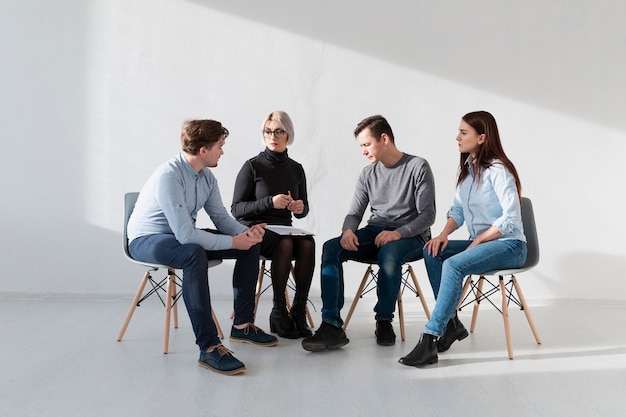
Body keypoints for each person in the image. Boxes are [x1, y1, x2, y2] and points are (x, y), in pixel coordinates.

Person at [127, 119, 278, 376]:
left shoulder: (207, 177)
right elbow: (186, 236)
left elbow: (220, 218)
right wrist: (232, 241)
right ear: (203, 150)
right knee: (193, 253)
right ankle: (208, 347)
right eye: (220, 146)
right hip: (147, 240)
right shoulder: (169, 177)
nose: (223, 151)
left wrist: (245, 234)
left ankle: (242, 325)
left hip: (179, 238)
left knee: (249, 246)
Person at [399, 110, 527, 367]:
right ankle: (452, 324)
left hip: (509, 244)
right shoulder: (468, 171)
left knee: (453, 264)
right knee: (432, 250)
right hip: (481, 242)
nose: (457, 137)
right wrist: (443, 235)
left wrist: (479, 241)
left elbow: (510, 218)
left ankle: (430, 337)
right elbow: (457, 211)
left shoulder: (499, 170)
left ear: (481, 138)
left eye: (463, 132)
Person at [301, 114, 436, 351]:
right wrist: (348, 231)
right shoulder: (367, 174)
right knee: (331, 248)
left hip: (413, 235)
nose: (363, 151)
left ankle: (384, 320)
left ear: (384, 138)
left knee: (389, 252)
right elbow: (354, 213)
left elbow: (428, 215)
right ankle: (331, 324)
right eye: (361, 146)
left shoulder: (417, 166)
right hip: (375, 231)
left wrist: (398, 233)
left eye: (366, 144)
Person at [231, 110, 315, 339]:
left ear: (288, 134)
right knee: (285, 243)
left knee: (308, 244)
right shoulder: (252, 166)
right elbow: (236, 209)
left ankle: (298, 311)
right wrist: (270, 202)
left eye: (278, 131)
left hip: (284, 228)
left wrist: (300, 208)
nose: (272, 136)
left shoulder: (296, 169)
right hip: (257, 229)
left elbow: (304, 207)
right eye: (268, 131)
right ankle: (279, 311)